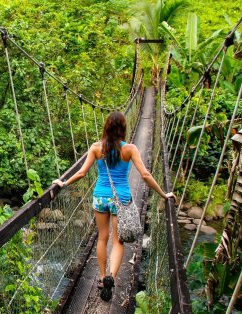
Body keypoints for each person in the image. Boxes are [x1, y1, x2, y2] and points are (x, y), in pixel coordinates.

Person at [52, 111, 174, 301]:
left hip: (100, 197)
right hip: (122, 199)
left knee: (102, 238)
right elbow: (145, 175)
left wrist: (63, 182)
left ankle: (101, 278)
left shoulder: (95, 148)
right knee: (118, 241)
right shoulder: (130, 149)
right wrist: (163, 194)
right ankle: (111, 277)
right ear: (123, 129)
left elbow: (82, 173)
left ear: (106, 127)